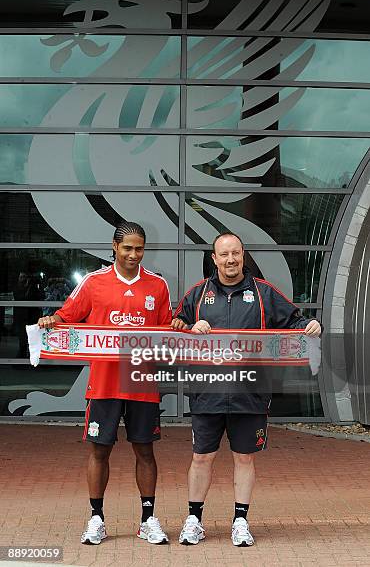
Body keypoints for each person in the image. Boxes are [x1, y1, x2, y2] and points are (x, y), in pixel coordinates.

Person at [171, 232, 321, 547]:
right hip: (207, 392)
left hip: (250, 393)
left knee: (244, 459)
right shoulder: (197, 295)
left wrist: (310, 326)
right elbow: (175, 327)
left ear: (243, 255)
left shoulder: (264, 293)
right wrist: (188, 326)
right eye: (223, 254)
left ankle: (240, 521)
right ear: (214, 258)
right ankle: (194, 520)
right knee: (201, 457)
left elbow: (294, 322)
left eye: (235, 253)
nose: (230, 260)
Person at [38, 222, 172, 545]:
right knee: (100, 450)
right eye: (127, 248)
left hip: (141, 380)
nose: (133, 254)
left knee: (145, 450)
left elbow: (168, 329)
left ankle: (148, 519)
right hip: (104, 383)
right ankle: (96, 518)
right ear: (114, 247)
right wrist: (51, 320)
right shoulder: (94, 282)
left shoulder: (157, 286)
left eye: (139, 248)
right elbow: (67, 315)